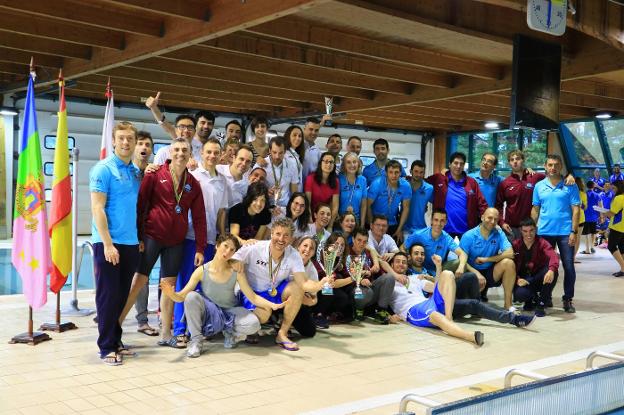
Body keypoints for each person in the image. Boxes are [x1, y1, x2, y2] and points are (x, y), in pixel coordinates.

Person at [119, 137, 207, 348]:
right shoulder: (155, 175)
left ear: (189, 154)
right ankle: (116, 327)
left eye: (184, 150)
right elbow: (141, 206)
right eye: (176, 150)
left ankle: (166, 334)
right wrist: (139, 236)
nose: (180, 154)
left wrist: (200, 247)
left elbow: (199, 217)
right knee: (138, 282)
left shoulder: (193, 184)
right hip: (151, 237)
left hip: (175, 241)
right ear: (169, 152)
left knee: (168, 287)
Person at [160, 234, 285, 357]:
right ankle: (196, 341)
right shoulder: (201, 271)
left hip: (230, 311)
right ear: (217, 246)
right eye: (225, 246)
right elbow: (181, 296)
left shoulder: (236, 270)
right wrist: (172, 294)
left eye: (232, 250)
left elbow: (252, 297)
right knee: (191, 297)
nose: (227, 251)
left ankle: (229, 332)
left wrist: (272, 305)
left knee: (253, 324)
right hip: (210, 313)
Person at [90, 122, 142, 365]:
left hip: (130, 242)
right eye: (121, 138)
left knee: (121, 296)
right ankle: (105, 346)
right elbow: (97, 208)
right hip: (109, 243)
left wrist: (137, 238)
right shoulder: (103, 169)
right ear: (113, 141)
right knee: (108, 296)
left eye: (130, 139)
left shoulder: (134, 172)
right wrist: (108, 244)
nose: (125, 143)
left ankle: (116, 340)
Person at [173, 138, 230, 342]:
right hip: (190, 238)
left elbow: (222, 213)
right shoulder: (192, 176)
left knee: (204, 286)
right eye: (208, 152)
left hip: (211, 241)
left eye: (216, 152)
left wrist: (222, 239)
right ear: (201, 154)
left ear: (221, 154)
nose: (212, 156)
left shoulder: (223, 181)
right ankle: (180, 329)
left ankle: (199, 327)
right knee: (186, 282)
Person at [231, 218, 311, 351]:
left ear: (291, 239)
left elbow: (303, 283)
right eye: (278, 234)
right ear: (271, 233)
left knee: (297, 288)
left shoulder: (294, 254)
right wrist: (236, 261)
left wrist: (321, 284)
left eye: (286, 235)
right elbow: (231, 260)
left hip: (272, 291)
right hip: (251, 293)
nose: (281, 239)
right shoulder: (255, 247)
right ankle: (249, 326)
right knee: (263, 314)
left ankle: (282, 334)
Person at [406, 247, 535, 326]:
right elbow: (433, 290)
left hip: (446, 294)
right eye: (416, 253)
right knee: (474, 304)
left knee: (471, 277)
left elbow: (439, 285)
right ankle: (514, 319)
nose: (420, 256)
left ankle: (478, 309)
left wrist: (434, 273)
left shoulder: (426, 270)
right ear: (410, 257)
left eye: (422, 254)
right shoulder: (410, 277)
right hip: (439, 305)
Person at [389, 253, 484, 346]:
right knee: (435, 316)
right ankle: (471, 336)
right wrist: (389, 317)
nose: (401, 264)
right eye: (398, 261)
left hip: (428, 302)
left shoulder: (414, 278)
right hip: (414, 309)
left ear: (407, 265)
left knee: (448, 274)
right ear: (391, 265)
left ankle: (448, 318)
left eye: (404, 262)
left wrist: (438, 267)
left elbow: (435, 287)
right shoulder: (388, 282)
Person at [531, 154, 581, 313]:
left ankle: (568, 299)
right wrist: (533, 230)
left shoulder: (570, 185)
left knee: (569, 266)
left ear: (561, 167)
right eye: (550, 165)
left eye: (556, 165)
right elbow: (535, 209)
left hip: (566, 232)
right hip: (545, 232)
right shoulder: (539, 186)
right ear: (545, 166)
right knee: (546, 267)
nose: (553, 168)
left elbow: (576, 210)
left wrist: (574, 231)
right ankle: (546, 297)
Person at [402, 209, 481, 300]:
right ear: (431, 220)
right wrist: (407, 261)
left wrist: (461, 266)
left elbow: (462, 253)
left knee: (462, 267)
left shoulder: (446, 237)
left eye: (442, 221)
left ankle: (463, 297)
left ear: (446, 222)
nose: (439, 224)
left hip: (438, 270)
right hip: (421, 271)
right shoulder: (418, 235)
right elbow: (402, 248)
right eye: (436, 220)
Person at [496, 150, 575, 240]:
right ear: (509, 162)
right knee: (512, 253)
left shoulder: (535, 177)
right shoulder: (505, 183)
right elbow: (498, 205)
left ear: (523, 160)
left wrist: (569, 176)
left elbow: (554, 176)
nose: (515, 161)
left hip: (530, 227)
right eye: (512, 159)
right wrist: (502, 223)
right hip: (511, 228)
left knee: (530, 253)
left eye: (518, 158)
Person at [459, 208, 516, 309]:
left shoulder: (499, 233)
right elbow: (460, 260)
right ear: (482, 217)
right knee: (473, 307)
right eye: (490, 218)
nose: (493, 222)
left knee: (509, 263)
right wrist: (477, 273)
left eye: (496, 219)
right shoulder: (469, 236)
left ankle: (508, 305)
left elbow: (510, 253)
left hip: (490, 271)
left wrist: (486, 259)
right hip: (472, 273)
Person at [131, 131, 158, 337]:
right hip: (122, 232)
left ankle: (142, 320)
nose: (144, 147)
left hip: (144, 233)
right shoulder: (125, 171)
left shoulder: (154, 174)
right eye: (140, 143)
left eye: (148, 145)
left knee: (143, 277)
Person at [427, 152, 488, 239]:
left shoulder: (471, 182)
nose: (458, 166)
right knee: (440, 253)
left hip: (467, 231)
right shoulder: (439, 178)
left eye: (461, 164)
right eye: (455, 163)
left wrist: (488, 220)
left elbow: (482, 203)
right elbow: (421, 183)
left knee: (465, 253)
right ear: (449, 164)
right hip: (443, 230)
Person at [512, 218, 560, 317]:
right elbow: (511, 265)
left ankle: (541, 304)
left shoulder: (542, 242)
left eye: (531, 230)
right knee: (520, 295)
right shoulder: (516, 245)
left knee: (553, 272)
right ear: (521, 231)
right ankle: (530, 300)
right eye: (525, 231)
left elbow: (553, 255)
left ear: (536, 229)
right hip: (523, 279)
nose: (528, 234)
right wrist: (517, 279)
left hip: (538, 278)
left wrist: (551, 270)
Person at [347, 228, 394, 324]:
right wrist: (359, 280)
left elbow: (379, 272)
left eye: (364, 241)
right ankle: (358, 310)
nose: (361, 244)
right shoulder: (347, 253)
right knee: (367, 291)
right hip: (354, 290)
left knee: (389, 277)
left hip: (370, 288)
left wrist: (376, 266)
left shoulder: (368, 253)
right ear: (353, 239)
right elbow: (346, 273)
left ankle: (381, 311)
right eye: (359, 240)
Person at [292, 236, 334, 334]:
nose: (307, 250)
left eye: (311, 248)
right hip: (282, 297)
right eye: (305, 246)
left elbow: (314, 298)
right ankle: (278, 319)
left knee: (310, 332)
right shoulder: (289, 259)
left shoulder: (312, 270)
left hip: (300, 302)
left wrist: (311, 301)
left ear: (314, 252)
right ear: (298, 246)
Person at [367, 159, 412, 242]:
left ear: (400, 173)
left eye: (396, 172)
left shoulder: (406, 186)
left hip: (391, 223)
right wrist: (371, 225)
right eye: (391, 172)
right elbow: (367, 205)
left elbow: (406, 208)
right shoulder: (377, 184)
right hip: (375, 222)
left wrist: (399, 229)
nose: (394, 175)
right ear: (386, 173)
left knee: (395, 248)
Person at [313, 232, 351, 327]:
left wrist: (361, 275)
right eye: (337, 244)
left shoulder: (339, 259)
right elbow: (333, 282)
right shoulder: (322, 258)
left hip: (324, 291)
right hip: (314, 290)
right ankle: (317, 315)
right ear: (329, 244)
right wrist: (354, 277)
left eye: (342, 245)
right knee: (329, 288)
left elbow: (347, 273)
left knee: (343, 296)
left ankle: (328, 314)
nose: (340, 247)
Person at [261, 136, 299, 208]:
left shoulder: (292, 165)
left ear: (285, 152)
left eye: (280, 153)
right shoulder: (261, 164)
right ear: (269, 150)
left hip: (285, 206)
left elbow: (294, 191)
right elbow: (254, 187)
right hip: (265, 206)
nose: (277, 156)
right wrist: (265, 191)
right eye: (274, 152)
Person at [305, 151, 339, 224]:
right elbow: (307, 202)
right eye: (326, 161)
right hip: (310, 216)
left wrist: (330, 225)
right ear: (320, 163)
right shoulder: (310, 178)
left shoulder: (336, 181)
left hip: (325, 218)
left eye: (331, 162)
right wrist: (309, 219)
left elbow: (335, 206)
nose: (329, 164)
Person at [404, 160, 434, 235]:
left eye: (421, 172)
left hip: (421, 229)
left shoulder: (429, 188)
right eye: (416, 171)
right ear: (411, 171)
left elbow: (437, 205)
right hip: (403, 228)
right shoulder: (403, 186)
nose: (418, 175)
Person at [338, 152, 368, 228]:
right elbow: (334, 201)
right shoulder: (339, 179)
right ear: (344, 165)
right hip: (340, 220)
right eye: (348, 162)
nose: (352, 165)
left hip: (355, 221)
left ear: (358, 164)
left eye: (354, 162)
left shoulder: (363, 180)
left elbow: (363, 205)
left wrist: (362, 224)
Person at [601, 180, 624, 277]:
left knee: (611, 246)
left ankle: (623, 267)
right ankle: (623, 269)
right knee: (622, 247)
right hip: (622, 226)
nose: (613, 190)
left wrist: (603, 213)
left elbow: (612, 213)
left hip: (617, 226)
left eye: (614, 188)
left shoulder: (618, 198)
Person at [581, 181, 602, 254]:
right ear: (594, 186)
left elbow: (582, 205)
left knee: (587, 233)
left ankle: (587, 249)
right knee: (593, 232)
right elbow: (600, 206)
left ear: (587, 186)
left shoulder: (584, 194)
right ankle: (592, 247)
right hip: (594, 216)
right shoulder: (597, 195)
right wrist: (601, 216)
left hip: (585, 216)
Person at [284, 125, 305, 192]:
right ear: (288, 136)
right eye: (294, 135)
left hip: (298, 191)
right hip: (289, 194)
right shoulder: (284, 154)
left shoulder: (296, 154)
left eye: (300, 136)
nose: (297, 138)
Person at [573, 177, 587, 263]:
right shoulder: (583, 194)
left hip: (570, 218)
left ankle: (570, 257)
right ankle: (573, 257)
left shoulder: (568, 193)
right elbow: (585, 207)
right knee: (577, 239)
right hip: (580, 219)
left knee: (570, 239)